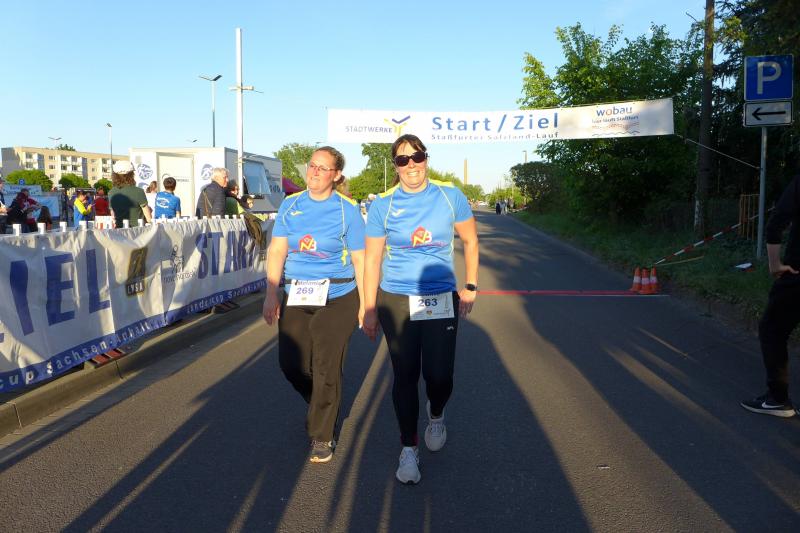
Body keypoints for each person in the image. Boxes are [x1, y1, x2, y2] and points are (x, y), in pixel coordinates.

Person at [362, 134, 479, 485]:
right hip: (396, 297)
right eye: (402, 160)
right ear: (395, 166)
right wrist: (369, 307)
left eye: (417, 157)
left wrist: (471, 285)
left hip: (440, 296)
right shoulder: (382, 205)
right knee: (405, 375)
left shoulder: (450, 196)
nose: (411, 164)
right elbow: (372, 260)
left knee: (439, 376)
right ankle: (408, 448)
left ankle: (436, 412)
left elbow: (470, 240)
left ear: (427, 158)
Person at [262, 146, 366, 464]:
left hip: (338, 295)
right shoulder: (291, 204)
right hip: (297, 293)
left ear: (336, 175)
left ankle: (322, 434)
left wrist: (368, 305)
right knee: (291, 364)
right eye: (312, 166)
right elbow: (277, 250)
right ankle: (321, 401)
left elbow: (361, 259)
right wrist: (271, 293)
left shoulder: (347, 210)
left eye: (323, 168)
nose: (315, 172)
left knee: (325, 364)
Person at [741, 174, 800, 418]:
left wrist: (774, 264)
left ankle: (778, 399)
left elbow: (777, 222)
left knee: (772, 329)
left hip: (797, 274)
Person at [109, 161, 152, 227]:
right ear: (131, 175)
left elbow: (113, 215)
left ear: (114, 176)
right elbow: (149, 219)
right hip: (137, 230)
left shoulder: (111, 192)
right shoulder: (139, 191)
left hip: (118, 231)